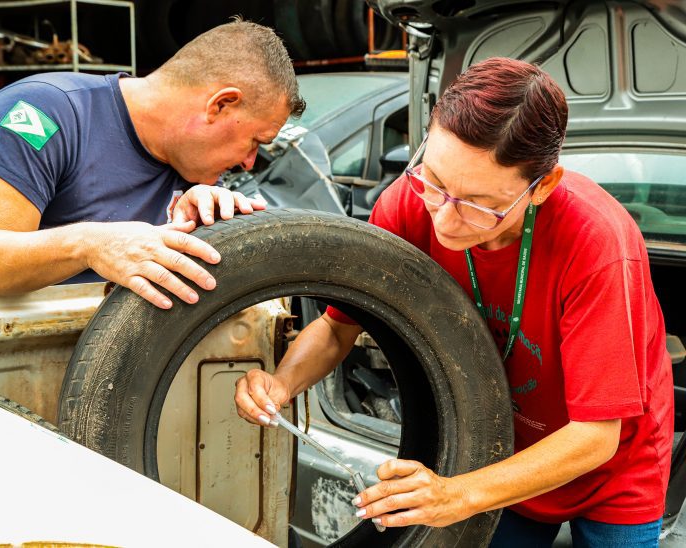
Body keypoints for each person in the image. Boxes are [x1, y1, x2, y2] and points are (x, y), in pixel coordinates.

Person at [234, 57, 673, 546]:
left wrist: (455, 495)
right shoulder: (405, 204)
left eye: (479, 204)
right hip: (503, 451)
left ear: (542, 186)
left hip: (611, 471)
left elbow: (596, 436)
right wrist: (280, 382)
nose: (443, 219)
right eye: (436, 181)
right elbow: (340, 327)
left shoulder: (598, 245)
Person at [0, 19, 305, 308]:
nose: (250, 163)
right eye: (255, 141)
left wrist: (202, 231)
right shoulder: (44, 113)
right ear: (220, 104)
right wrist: (90, 243)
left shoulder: (193, 173)